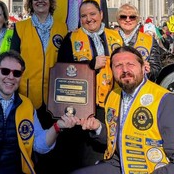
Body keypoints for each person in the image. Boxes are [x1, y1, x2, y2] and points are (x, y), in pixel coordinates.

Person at [0, 50, 79, 174]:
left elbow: (39, 146)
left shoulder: (27, 105)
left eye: (17, 73)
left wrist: (57, 127)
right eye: (5, 71)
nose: (10, 77)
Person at [72, 46, 174, 174]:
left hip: (152, 169)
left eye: (130, 64)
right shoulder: (113, 96)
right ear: (112, 71)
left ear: (143, 68)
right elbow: (117, 140)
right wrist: (98, 128)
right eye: (118, 66)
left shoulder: (165, 99)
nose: (125, 70)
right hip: (118, 164)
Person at [57, 0, 123, 170]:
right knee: (81, 155)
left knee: (105, 148)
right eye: (84, 16)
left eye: (92, 14)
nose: (89, 19)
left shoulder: (116, 36)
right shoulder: (71, 38)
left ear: (101, 15)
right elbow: (62, 71)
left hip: (111, 102)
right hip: (82, 106)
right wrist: (90, 65)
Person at [11, 0, 67, 125]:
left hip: (54, 95)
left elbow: (66, 61)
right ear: (31, 2)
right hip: (27, 93)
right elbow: (14, 61)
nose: (40, 0)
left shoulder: (63, 28)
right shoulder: (20, 27)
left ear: (50, 0)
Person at [116, 3, 162, 81]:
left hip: (140, 87)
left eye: (132, 17)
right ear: (118, 19)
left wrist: (148, 70)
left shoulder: (149, 40)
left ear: (137, 19)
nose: (128, 20)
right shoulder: (108, 37)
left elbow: (157, 68)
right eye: (123, 16)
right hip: (114, 88)